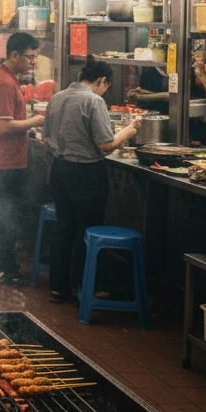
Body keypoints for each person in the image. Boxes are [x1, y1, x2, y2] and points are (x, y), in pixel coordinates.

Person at [43, 58, 140, 304]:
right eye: (106, 86)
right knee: (87, 230)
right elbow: (105, 145)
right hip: (86, 174)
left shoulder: (57, 97)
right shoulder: (94, 100)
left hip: (60, 170)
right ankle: (85, 288)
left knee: (64, 228)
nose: (104, 90)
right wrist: (128, 131)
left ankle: (58, 289)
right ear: (101, 81)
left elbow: (46, 137)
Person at [0, 32, 46, 286]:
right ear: (15, 55)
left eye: (36, 57)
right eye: (30, 57)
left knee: (8, 215)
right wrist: (35, 121)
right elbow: (4, 127)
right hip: (3, 163)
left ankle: (5, 265)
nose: (34, 62)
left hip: (9, 160)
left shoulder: (9, 78)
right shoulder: (5, 83)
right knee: (2, 216)